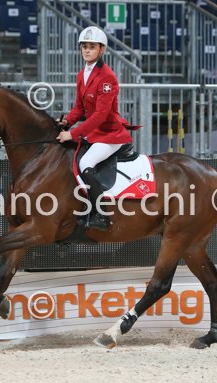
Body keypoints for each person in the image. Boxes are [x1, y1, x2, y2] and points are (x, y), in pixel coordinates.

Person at [56, 26, 134, 231]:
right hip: (93, 133)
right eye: (84, 46)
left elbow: (100, 115)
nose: (87, 50)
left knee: (86, 163)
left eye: (92, 47)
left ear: (102, 50)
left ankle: (101, 214)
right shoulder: (82, 74)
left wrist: (72, 134)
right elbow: (79, 108)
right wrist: (67, 122)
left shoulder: (107, 77)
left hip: (110, 134)